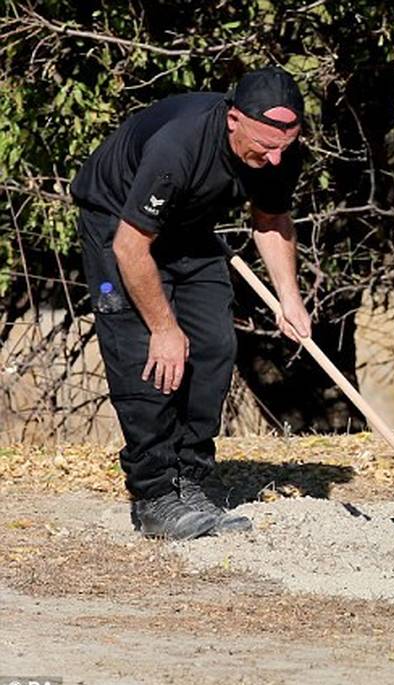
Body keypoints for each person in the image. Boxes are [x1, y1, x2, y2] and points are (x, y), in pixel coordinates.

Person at [71, 67, 311, 540]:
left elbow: (270, 218)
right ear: (233, 120)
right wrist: (163, 328)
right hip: (118, 229)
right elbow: (130, 247)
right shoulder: (178, 147)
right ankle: (156, 494)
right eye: (265, 145)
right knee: (148, 357)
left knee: (213, 346)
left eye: (286, 144)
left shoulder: (280, 152)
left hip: (189, 228)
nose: (276, 157)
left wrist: (290, 299)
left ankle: (190, 481)